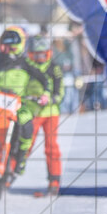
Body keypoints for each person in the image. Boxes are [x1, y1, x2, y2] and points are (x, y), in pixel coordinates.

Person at [0, 27, 50, 180]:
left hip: (19, 103)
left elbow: (43, 78)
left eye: (12, 46)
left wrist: (46, 93)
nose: (8, 49)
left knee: (27, 124)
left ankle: (21, 158)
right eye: (5, 45)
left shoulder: (25, 63)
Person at [25, 35, 65, 196]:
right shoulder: (26, 68)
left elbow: (59, 88)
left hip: (50, 113)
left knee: (51, 147)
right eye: (37, 55)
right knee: (25, 144)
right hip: (31, 112)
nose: (41, 58)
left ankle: (54, 180)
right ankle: (8, 175)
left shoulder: (53, 68)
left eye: (44, 54)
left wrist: (53, 99)